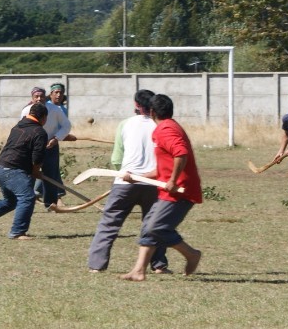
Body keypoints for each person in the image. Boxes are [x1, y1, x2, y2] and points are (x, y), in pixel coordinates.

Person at [121, 94, 203, 282]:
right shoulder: (169, 127)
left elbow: (180, 154)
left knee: (156, 227)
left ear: (151, 112)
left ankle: (191, 254)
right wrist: (138, 177)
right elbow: (163, 168)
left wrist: (173, 181)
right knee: (148, 228)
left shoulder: (165, 130)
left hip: (179, 191)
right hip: (168, 190)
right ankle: (138, 271)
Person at [87, 90, 169, 273]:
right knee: (154, 225)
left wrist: (122, 173)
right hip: (154, 183)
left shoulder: (125, 124)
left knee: (109, 223)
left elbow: (117, 158)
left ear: (136, 105)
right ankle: (159, 265)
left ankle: (96, 265)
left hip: (125, 182)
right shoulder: (161, 126)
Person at [0, 102, 49, 239]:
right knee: (27, 197)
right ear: (44, 117)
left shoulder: (18, 127)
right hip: (13, 171)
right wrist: (36, 171)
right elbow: (37, 157)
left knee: (11, 201)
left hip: (1, 169)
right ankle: (18, 231)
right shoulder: (39, 132)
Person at [21, 82, 75, 209]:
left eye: (41, 96)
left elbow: (66, 126)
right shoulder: (26, 111)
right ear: (32, 98)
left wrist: (56, 138)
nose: (39, 99)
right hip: (32, 148)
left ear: (45, 97)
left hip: (50, 146)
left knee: (51, 175)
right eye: (36, 96)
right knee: (30, 174)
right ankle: (27, 202)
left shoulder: (55, 110)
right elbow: (22, 129)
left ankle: (51, 204)